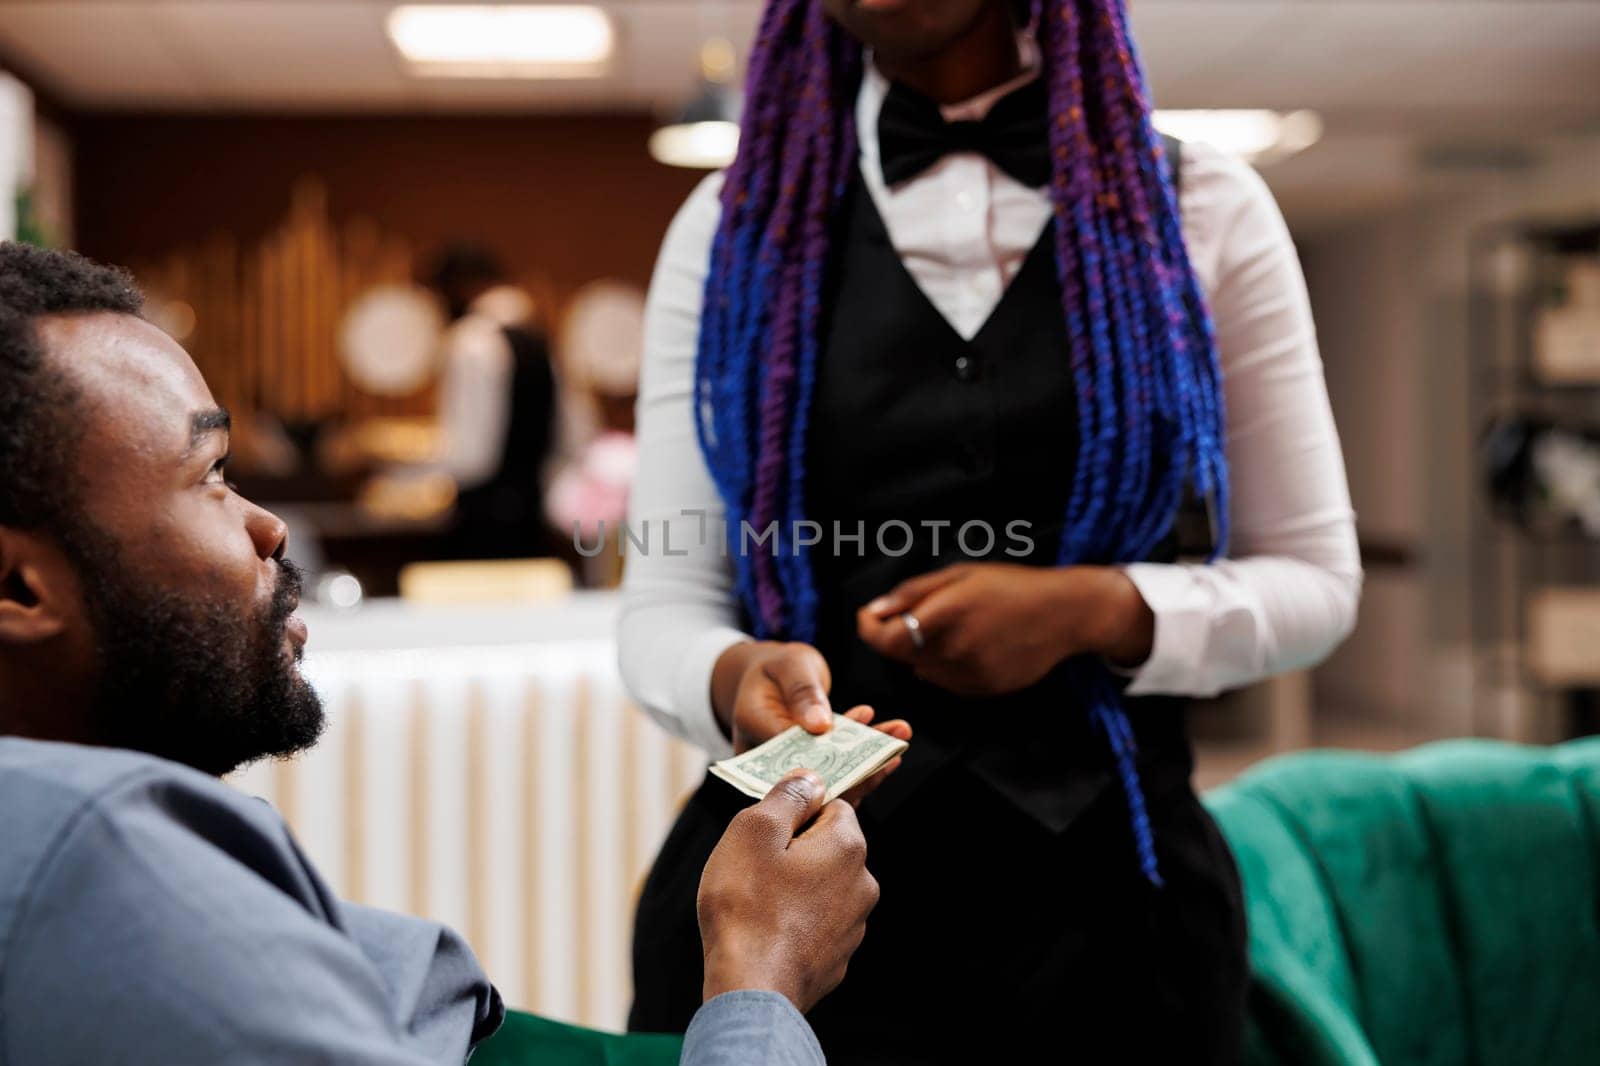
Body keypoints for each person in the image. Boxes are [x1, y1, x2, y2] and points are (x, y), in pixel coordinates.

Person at [620, 0, 1362, 1062]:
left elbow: (1315, 581)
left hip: (1114, 917)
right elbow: (661, 602)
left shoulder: (1203, 205)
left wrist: (1102, 609)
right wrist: (732, 669)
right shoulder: (733, 224)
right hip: (793, 911)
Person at [0, 241, 897, 1065]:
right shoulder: (105, 865)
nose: (268, 526)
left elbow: (466, 455)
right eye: (212, 477)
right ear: (17, 587)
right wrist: (762, 974)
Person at [422, 242, 558, 559]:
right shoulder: (540, 339)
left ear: (457, 287)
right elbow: (572, 434)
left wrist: (413, 478)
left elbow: (471, 456)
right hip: (533, 518)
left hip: (483, 525)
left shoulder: (470, 341)